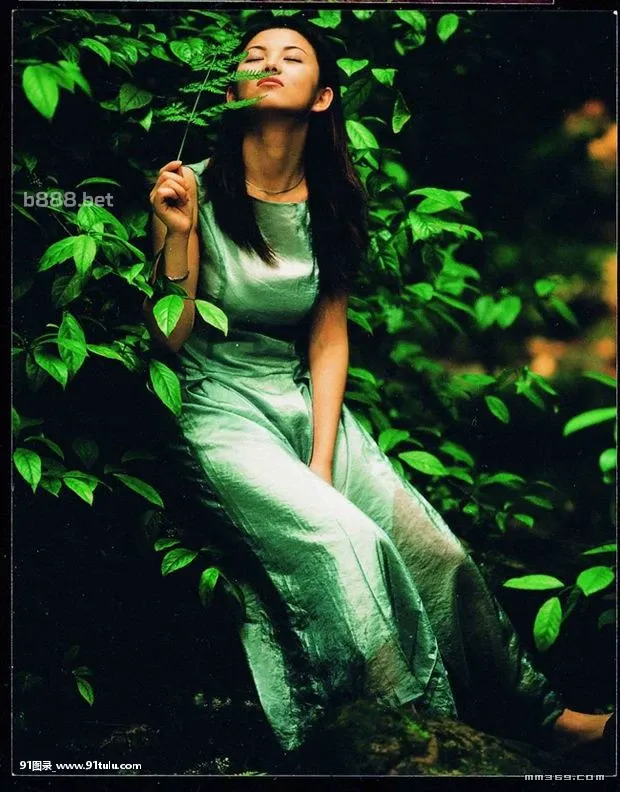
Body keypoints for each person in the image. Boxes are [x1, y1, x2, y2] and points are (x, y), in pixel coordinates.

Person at [143, 20, 613, 761]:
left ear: (323, 97)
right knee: (347, 541)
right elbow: (166, 340)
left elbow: (328, 338)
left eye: (291, 56)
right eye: (254, 56)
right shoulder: (191, 187)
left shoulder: (331, 197)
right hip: (214, 402)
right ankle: (406, 739)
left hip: (300, 396)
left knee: (436, 553)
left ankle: (540, 718)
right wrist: (174, 233)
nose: (267, 64)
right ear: (232, 89)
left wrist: (321, 458)